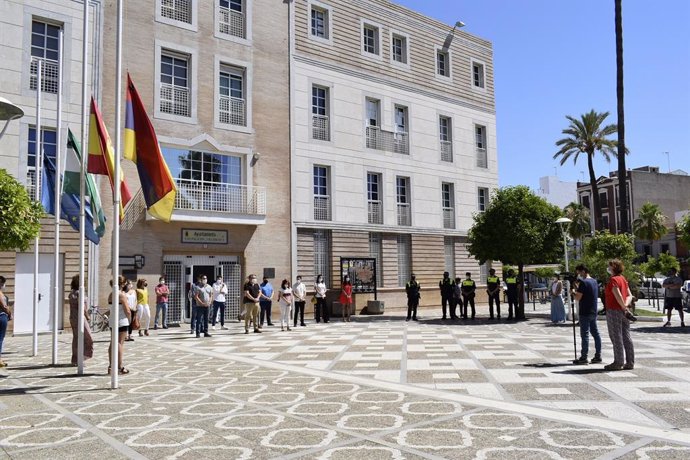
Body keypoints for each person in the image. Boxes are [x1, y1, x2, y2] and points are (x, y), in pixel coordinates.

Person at [603, 258, 635, 370]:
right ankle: (630, 362)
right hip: (623, 311)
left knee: (616, 336)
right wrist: (625, 307)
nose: (608, 267)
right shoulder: (623, 279)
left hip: (613, 310)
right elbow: (629, 295)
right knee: (626, 336)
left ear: (614, 267)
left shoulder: (613, 280)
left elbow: (618, 295)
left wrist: (622, 306)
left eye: (610, 266)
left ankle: (618, 362)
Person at [572, 264, 602, 365]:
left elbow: (578, 298)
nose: (579, 275)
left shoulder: (584, 282)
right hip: (593, 310)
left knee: (585, 335)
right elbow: (586, 293)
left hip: (584, 311)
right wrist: (577, 287)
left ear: (584, 271)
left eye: (579, 272)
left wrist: (572, 292)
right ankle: (598, 355)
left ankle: (584, 357)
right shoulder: (594, 281)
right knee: (595, 333)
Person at [109, 275, 132, 375]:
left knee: (112, 343)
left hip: (112, 321)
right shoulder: (121, 295)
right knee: (119, 343)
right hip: (121, 320)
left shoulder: (111, 294)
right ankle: (119, 367)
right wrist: (130, 320)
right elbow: (127, 310)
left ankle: (111, 366)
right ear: (122, 284)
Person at [69, 275, 93, 366]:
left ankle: (75, 359)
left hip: (73, 317)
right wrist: (87, 316)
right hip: (80, 318)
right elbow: (82, 307)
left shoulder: (72, 293)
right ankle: (82, 357)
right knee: (88, 337)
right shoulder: (80, 293)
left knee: (76, 338)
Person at [0, 276, 12, 368]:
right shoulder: (0, 294)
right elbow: (4, 306)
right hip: (1, 316)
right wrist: (9, 313)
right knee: (0, 338)